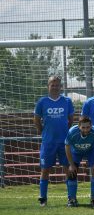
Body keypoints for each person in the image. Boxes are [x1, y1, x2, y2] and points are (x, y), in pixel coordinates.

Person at [34, 76, 75, 207]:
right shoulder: (42, 102)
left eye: (57, 85)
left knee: (68, 169)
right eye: (53, 85)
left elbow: (70, 120)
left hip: (64, 143)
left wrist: (65, 133)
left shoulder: (67, 101)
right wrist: (43, 132)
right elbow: (36, 120)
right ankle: (43, 199)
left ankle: (71, 198)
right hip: (48, 142)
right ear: (48, 86)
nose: (55, 87)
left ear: (60, 87)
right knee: (45, 169)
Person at [65, 116, 94, 207]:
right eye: (83, 127)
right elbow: (67, 147)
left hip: (91, 151)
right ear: (79, 126)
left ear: (91, 126)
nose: (86, 130)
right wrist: (71, 164)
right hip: (76, 152)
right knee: (71, 172)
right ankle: (72, 199)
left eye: (88, 127)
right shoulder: (72, 132)